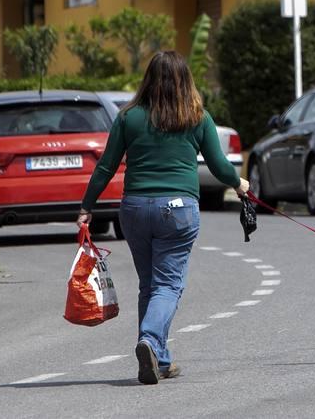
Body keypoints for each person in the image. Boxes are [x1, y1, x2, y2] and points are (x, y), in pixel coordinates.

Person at [78, 50, 248, 385]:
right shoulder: (197, 117)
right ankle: (150, 341)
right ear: (185, 80)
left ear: (148, 79)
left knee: (150, 285)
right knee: (168, 284)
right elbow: (218, 165)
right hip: (179, 210)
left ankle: (162, 360)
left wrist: (87, 206)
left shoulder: (129, 117)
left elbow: (107, 166)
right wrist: (238, 183)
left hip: (136, 209)